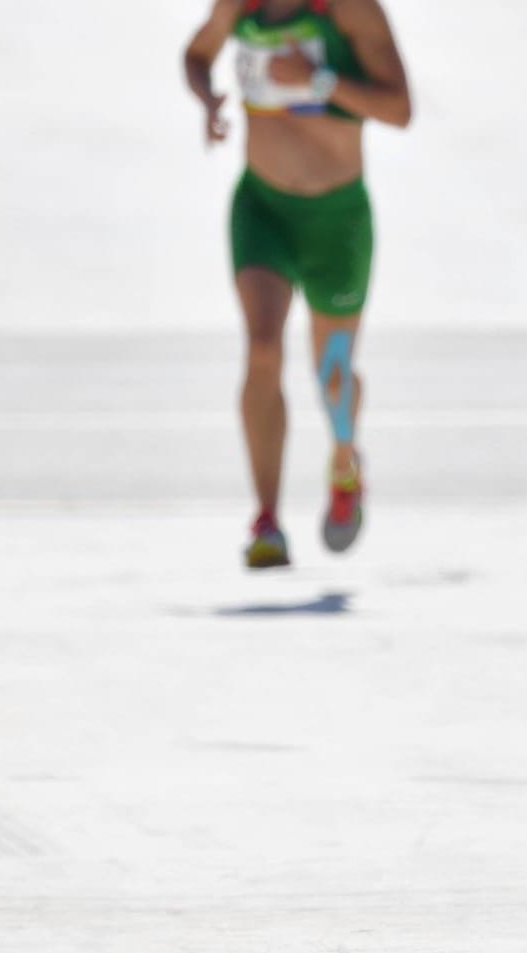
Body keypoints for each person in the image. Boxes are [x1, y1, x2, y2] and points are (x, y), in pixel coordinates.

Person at [182, 0, 412, 567]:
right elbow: (197, 52)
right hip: (262, 208)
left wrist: (320, 80)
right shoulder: (241, 6)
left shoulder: (352, 13)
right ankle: (267, 520)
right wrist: (207, 97)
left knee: (332, 371)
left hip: (337, 220)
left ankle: (343, 459)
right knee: (262, 346)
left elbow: (399, 109)